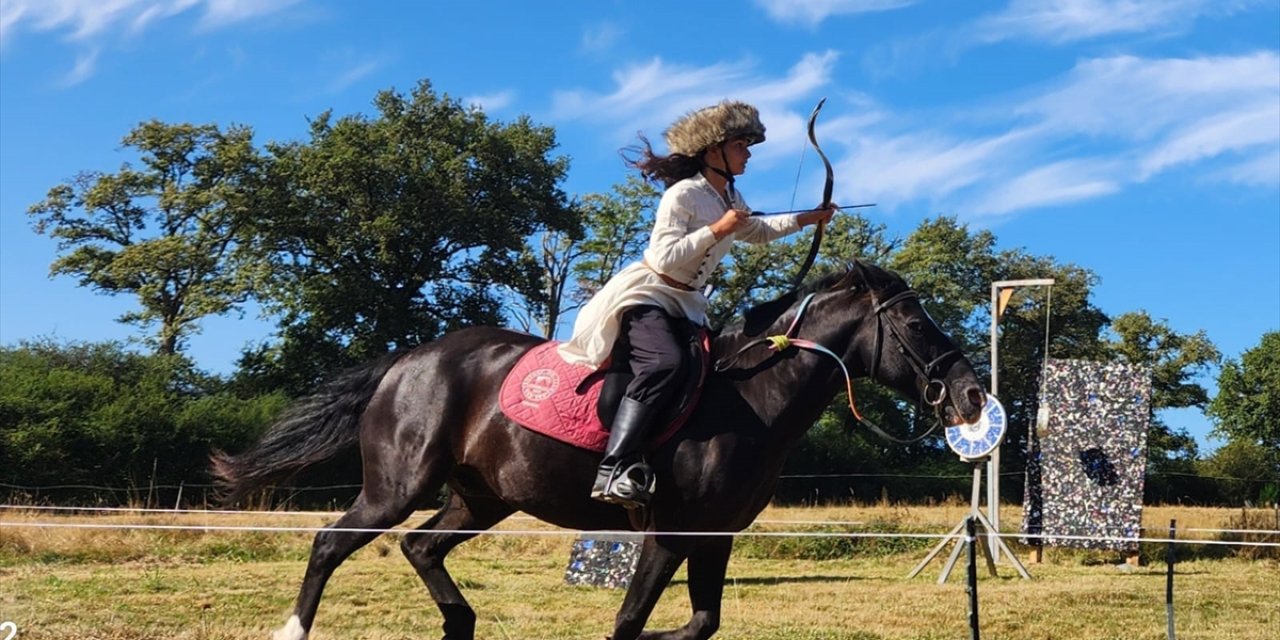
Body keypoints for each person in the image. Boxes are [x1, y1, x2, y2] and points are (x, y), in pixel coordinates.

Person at [558, 100, 836, 508]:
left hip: (687, 305)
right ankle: (612, 469)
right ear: (713, 151)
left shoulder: (730, 195)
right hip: (649, 295)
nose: (749, 154)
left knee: (713, 373)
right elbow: (664, 258)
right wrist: (716, 229)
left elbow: (755, 230)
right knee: (664, 364)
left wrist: (807, 219)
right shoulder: (683, 195)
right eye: (741, 144)